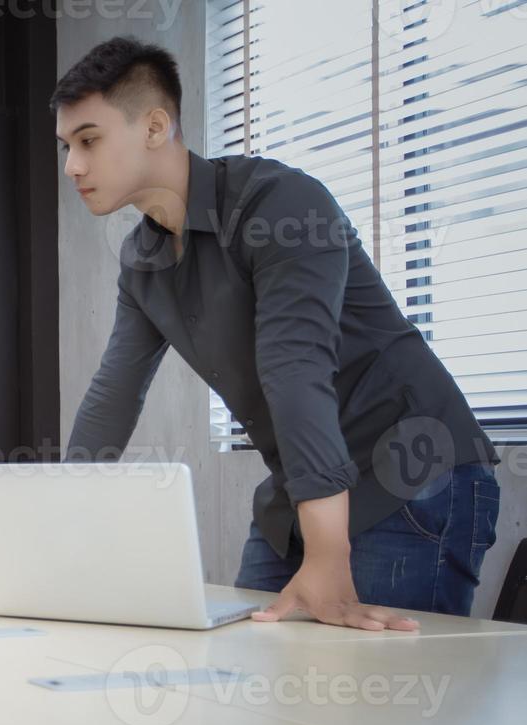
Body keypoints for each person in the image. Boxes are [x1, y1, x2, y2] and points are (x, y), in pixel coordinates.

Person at [53, 37, 500, 628]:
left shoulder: (281, 204)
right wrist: (55, 532)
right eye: (66, 146)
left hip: (409, 474)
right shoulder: (144, 261)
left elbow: (295, 369)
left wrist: (327, 553)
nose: (72, 166)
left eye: (89, 140)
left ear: (156, 127)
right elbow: (112, 396)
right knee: (251, 683)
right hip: (301, 490)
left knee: (380, 704)